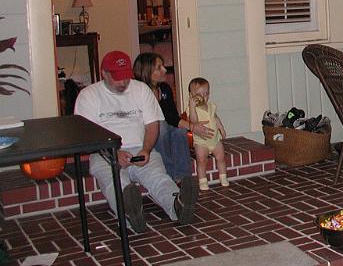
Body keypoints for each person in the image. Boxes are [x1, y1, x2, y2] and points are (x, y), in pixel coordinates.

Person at [75, 51, 198, 232]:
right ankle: (130, 213)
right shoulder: (89, 96)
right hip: (106, 153)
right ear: (104, 73)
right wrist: (114, 153)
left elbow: (152, 124)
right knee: (115, 181)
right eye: (117, 78)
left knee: (158, 177)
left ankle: (178, 205)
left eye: (126, 77)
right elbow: (86, 134)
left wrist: (147, 150)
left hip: (140, 149)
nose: (123, 82)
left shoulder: (141, 89)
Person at [132, 53, 213, 182]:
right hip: (144, 133)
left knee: (179, 131)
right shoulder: (138, 91)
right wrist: (192, 127)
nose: (165, 70)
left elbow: (172, 117)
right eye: (159, 67)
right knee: (162, 127)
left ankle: (183, 177)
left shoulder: (164, 88)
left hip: (163, 126)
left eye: (163, 66)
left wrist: (192, 127)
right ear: (146, 71)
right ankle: (167, 175)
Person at [187, 77, 228, 190]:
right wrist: (192, 107)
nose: (203, 97)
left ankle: (223, 176)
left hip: (215, 140)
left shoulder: (211, 106)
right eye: (199, 94)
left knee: (221, 157)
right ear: (192, 96)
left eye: (206, 93)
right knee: (201, 160)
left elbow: (216, 118)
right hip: (201, 142)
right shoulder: (193, 110)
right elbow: (194, 121)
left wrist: (222, 129)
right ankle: (203, 181)